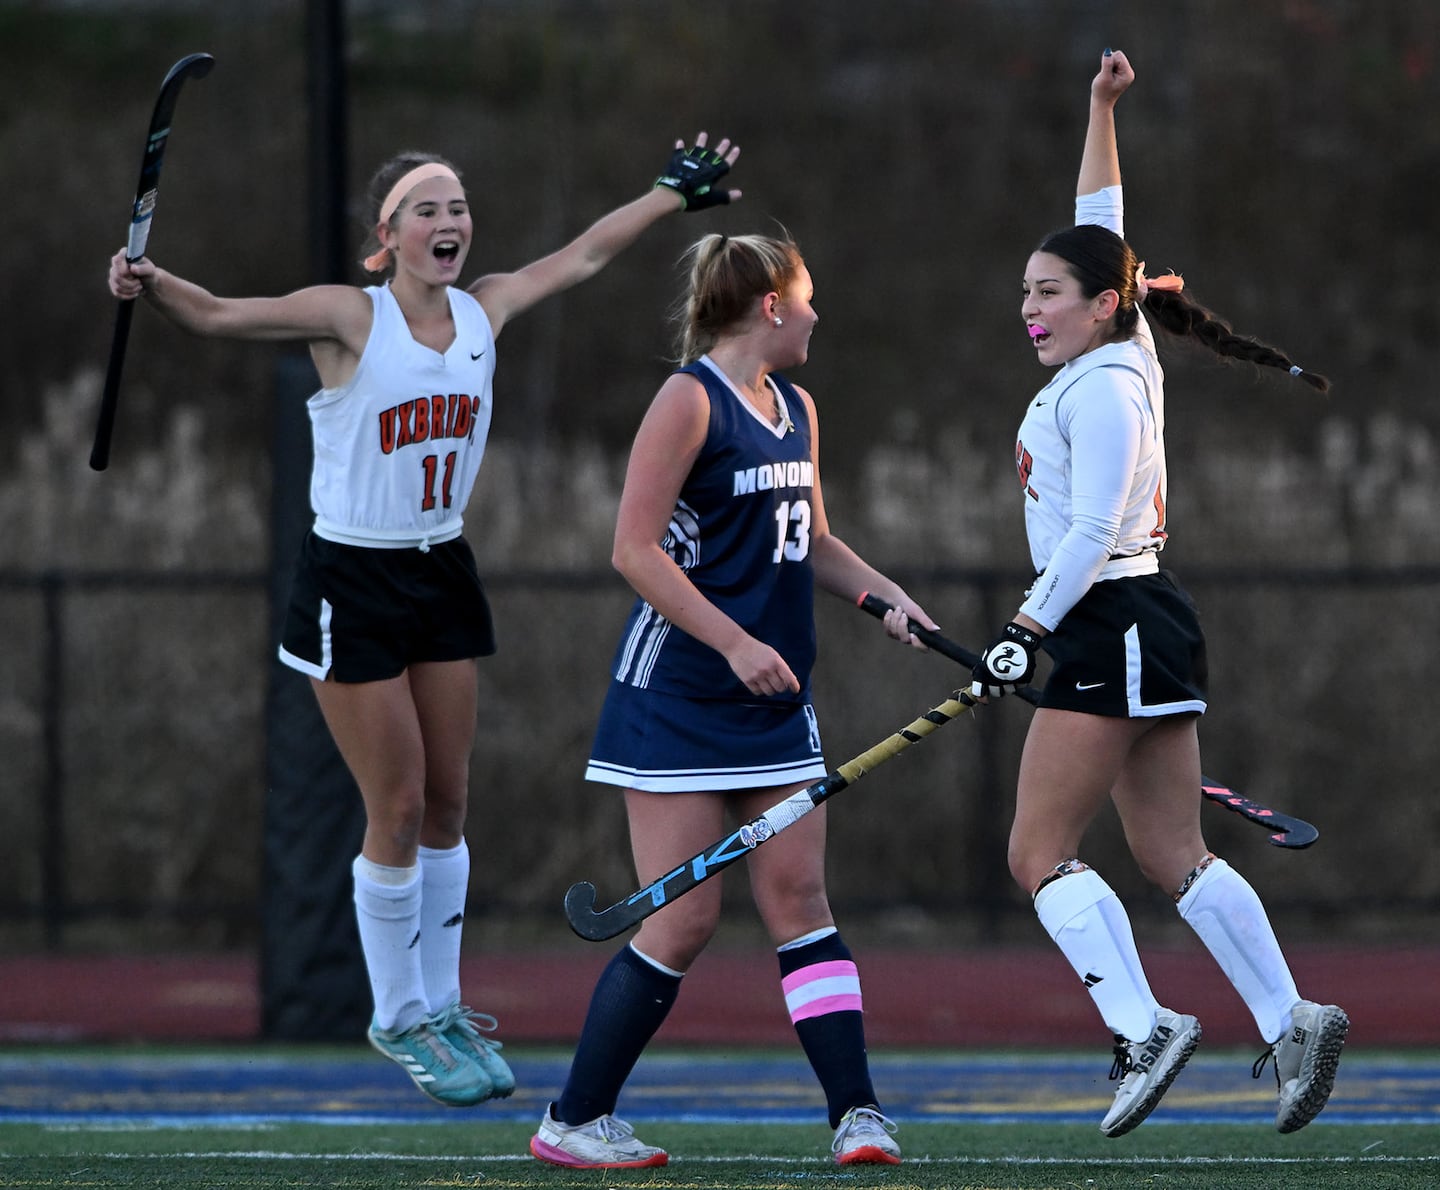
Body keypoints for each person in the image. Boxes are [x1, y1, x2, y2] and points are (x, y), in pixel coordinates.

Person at [107, 132, 743, 1107]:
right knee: (396, 806)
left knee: (449, 801)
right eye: (427, 210)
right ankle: (397, 1012)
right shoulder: (348, 318)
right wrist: (148, 282)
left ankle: (443, 1003)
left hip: (440, 563)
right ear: (387, 236)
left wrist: (667, 193)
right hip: (349, 576)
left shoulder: (483, 308)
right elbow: (224, 315)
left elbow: (580, 254)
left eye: (456, 207)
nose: (448, 223)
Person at [967, 48, 1348, 1139]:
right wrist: (1100, 107)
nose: (1029, 309)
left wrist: (1026, 626)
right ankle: (1293, 1015)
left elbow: (1090, 530)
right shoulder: (1119, 342)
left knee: (1036, 853)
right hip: (1142, 620)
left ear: (1100, 304)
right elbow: (1101, 215)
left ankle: (1143, 1025)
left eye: (1048, 294)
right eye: (1024, 292)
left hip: (1109, 613)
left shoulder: (1103, 390)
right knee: (1173, 854)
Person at [528, 232, 936, 1169]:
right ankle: (574, 1119)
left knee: (801, 898)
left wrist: (888, 600)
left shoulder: (796, 407)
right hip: (677, 693)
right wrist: (733, 641)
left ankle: (858, 1116)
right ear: (771, 307)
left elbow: (816, 540)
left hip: (774, 697)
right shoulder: (687, 399)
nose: (819, 315)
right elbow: (634, 551)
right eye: (810, 297)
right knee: (685, 918)